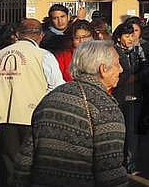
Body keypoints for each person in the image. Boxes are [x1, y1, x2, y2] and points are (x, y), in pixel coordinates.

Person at [15, 40, 127, 186]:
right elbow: (110, 171)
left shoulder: (51, 98)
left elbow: (25, 158)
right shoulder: (105, 108)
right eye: (117, 64)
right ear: (103, 69)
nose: (121, 69)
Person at [0, 19, 65, 186]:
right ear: (40, 35)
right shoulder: (44, 56)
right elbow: (57, 87)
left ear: (17, 35)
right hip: (33, 118)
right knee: (34, 166)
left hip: (3, 120)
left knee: (10, 167)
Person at [112, 23, 149, 175]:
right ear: (119, 36)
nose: (130, 39)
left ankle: (131, 163)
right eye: (126, 36)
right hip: (117, 95)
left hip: (135, 95)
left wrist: (136, 77)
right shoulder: (113, 51)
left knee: (132, 131)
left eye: (132, 35)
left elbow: (147, 68)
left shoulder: (138, 49)